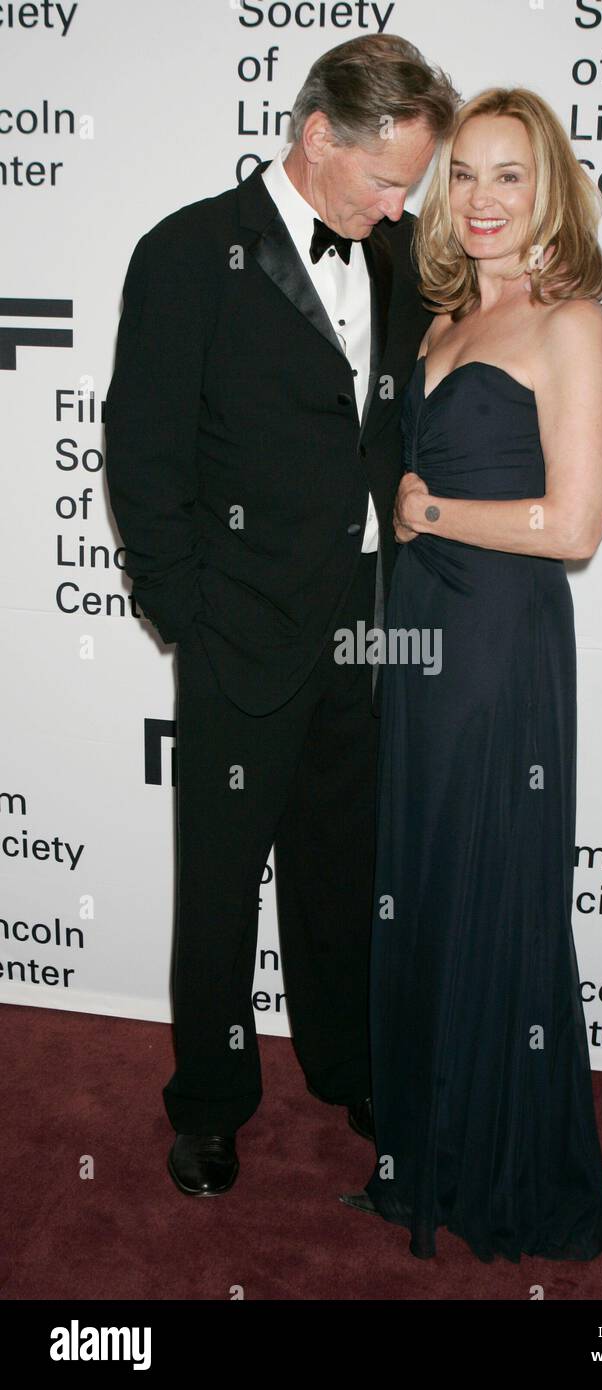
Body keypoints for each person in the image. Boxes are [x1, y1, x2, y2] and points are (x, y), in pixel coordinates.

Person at [104, 34, 460, 1196]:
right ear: (318, 138)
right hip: (238, 632)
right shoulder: (186, 251)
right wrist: (185, 619)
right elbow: (143, 456)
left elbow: (549, 290)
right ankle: (208, 1101)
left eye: (409, 182)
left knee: (342, 870)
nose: (399, 202)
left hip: (365, 628)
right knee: (218, 882)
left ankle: (347, 1063)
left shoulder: (402, 251)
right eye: (383, 179)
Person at [340, 87, 602, 1261]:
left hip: (499, 643)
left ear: (547, 185)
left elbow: (574, 527)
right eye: (463, 175)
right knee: (422, 874)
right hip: (417, 637)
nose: (481, 198)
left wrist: (431, 507)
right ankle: (425, 1148)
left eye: (508, 174)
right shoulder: (442, 316)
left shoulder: (572, 319)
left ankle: (500, 1161)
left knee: (487, 884)